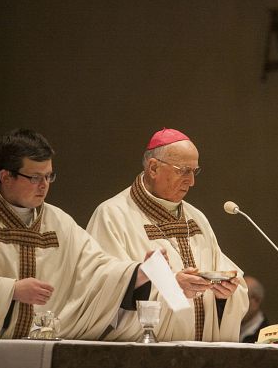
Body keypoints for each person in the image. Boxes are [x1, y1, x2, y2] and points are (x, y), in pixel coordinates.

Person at [0, 128, 155, 339]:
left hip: (40, 348)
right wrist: (11, 290)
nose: (44, 185)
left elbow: (95, 268)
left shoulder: (59, 223)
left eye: (49, 176)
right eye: (35, 177)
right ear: (6, 177)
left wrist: (136, 273)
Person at [86, 127, 249, 342]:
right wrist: (173, 288)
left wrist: (225, 295)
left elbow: (232, 282)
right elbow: (101, 290)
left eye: (194, 171)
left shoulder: (196, 217)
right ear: (153, 168)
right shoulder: (113, 215)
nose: (191, 181)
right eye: (183, 170)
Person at [240, 276, 269, 343]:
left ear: (256, 301)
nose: (234, 305)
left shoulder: (268, 337)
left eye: (241, 299)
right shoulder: (228, 328)